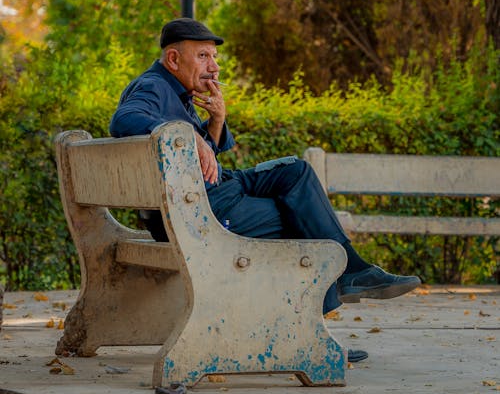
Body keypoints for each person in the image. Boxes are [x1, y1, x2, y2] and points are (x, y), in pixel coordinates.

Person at [110, 18, 421, 364]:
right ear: (172, 59)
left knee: (295, 172)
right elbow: (124, 119)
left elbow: (203, 160)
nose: (213, 67)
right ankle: (308, 334)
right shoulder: (153, 87)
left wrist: (214, 123)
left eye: (213, 57)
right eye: (202, 56)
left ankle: (352, 271)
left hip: (213, 192)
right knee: (300, 218)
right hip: (200, 212)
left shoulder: (179, 93)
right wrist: (189, 135)